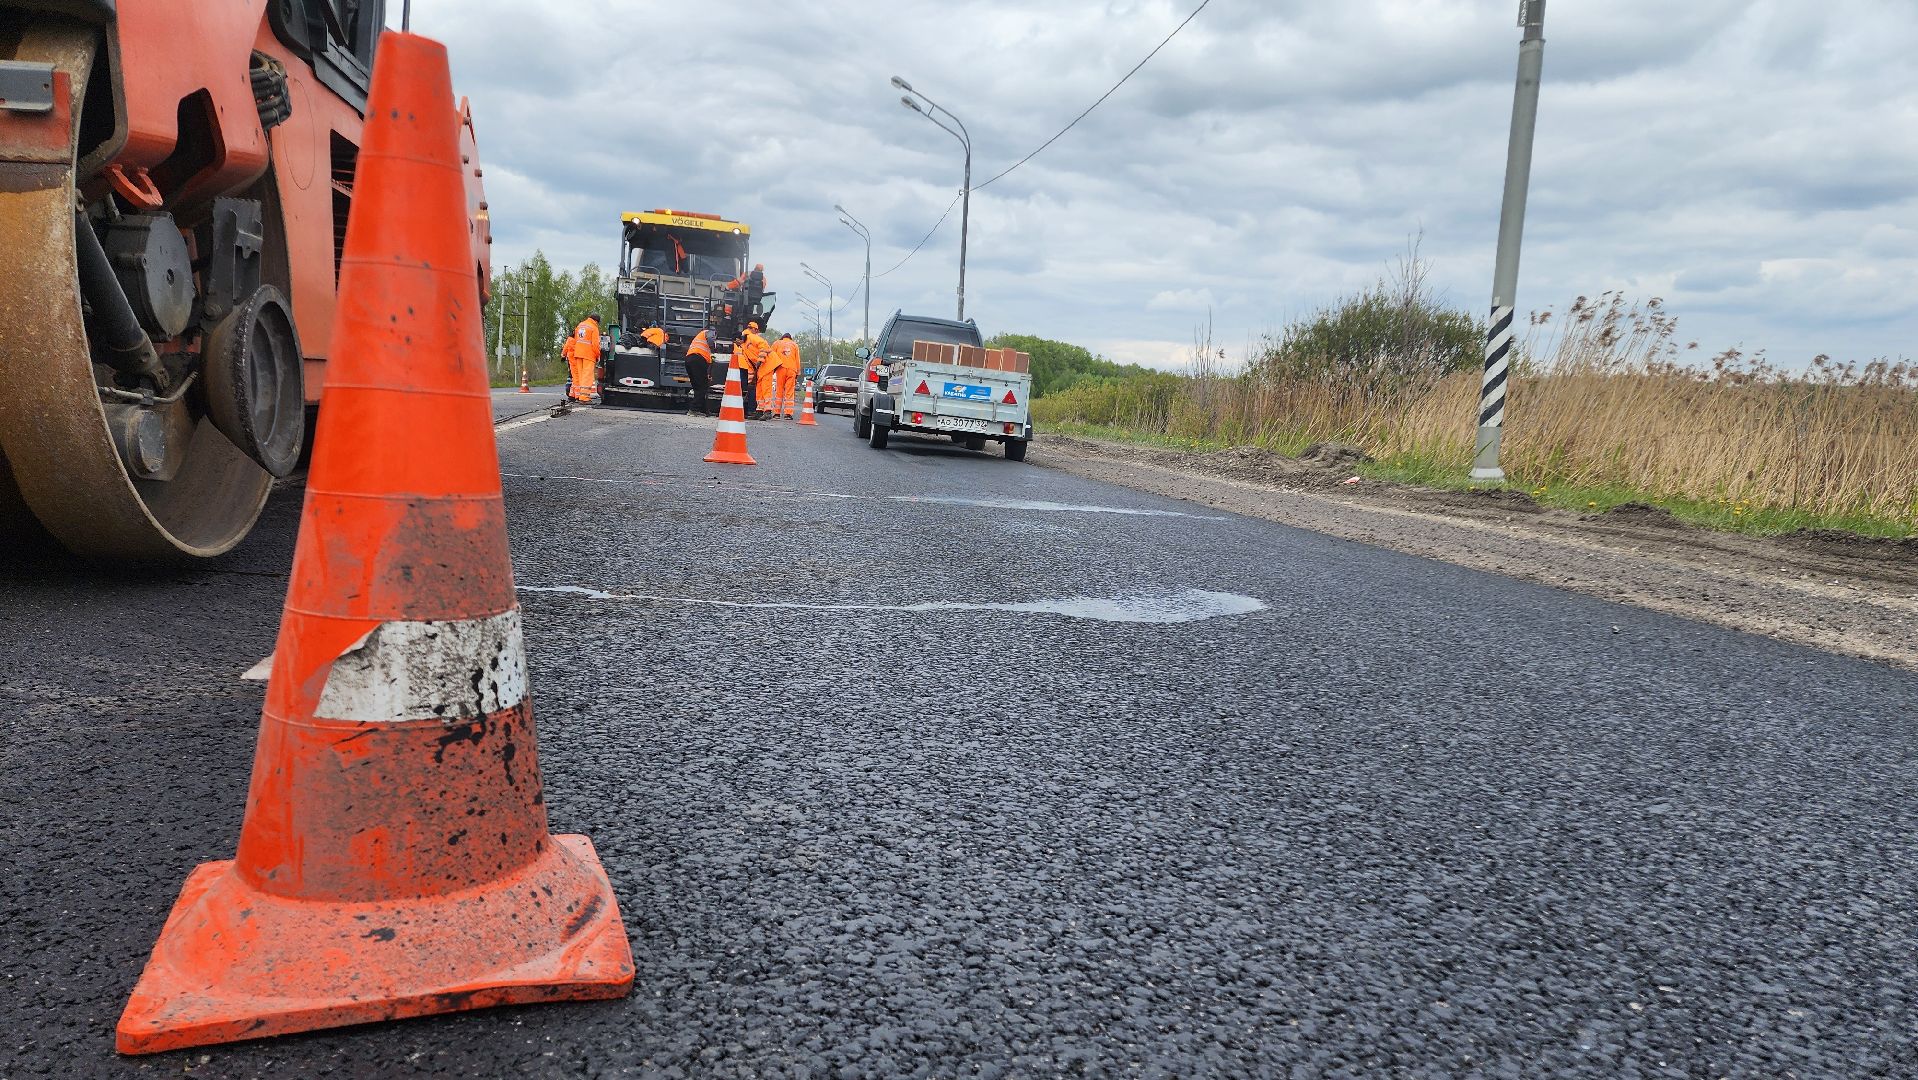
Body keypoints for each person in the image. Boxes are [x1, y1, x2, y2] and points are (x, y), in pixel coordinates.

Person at [563, 313, 601, 403]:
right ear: (596, 321)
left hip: (578, 354)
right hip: (588, 355)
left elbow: (575, 340)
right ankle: (584, 398)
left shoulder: (580, 325)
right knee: (587, 377)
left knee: (580, 376)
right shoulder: (594, 328)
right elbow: (595, 345)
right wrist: (598, 355)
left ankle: (579, 395)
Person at [736, 321, 768, 418]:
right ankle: (751, 410)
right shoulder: (751, 337)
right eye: (756, 330)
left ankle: (738, 409)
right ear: (753, 329)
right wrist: (760, 360)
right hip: (750, 366)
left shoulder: (742, 338)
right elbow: (763, 347)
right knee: (752, 389)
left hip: (741, 365)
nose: (757, 332)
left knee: (740, 389)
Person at [768, 332, 802, 419]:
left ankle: (776, 413)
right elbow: (797, 359)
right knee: (789, 392)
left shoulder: (777, 343)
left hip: (781, 369)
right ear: (790, 338)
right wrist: (798, 373)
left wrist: (772, 368)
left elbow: (771, 355)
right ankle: (788, 414)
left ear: (782, 337)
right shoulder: (794, 345)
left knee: (779, 391)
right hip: (792, 370)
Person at [684, 327, 716, 415]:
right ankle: (694, 409)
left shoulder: (699, 337)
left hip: (690, 360)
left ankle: (702, 410)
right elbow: (710, 339)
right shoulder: (708, 332)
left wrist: (707, 374)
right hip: (697, 360)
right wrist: (714, 347)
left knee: (698, 387)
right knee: (702, 387)